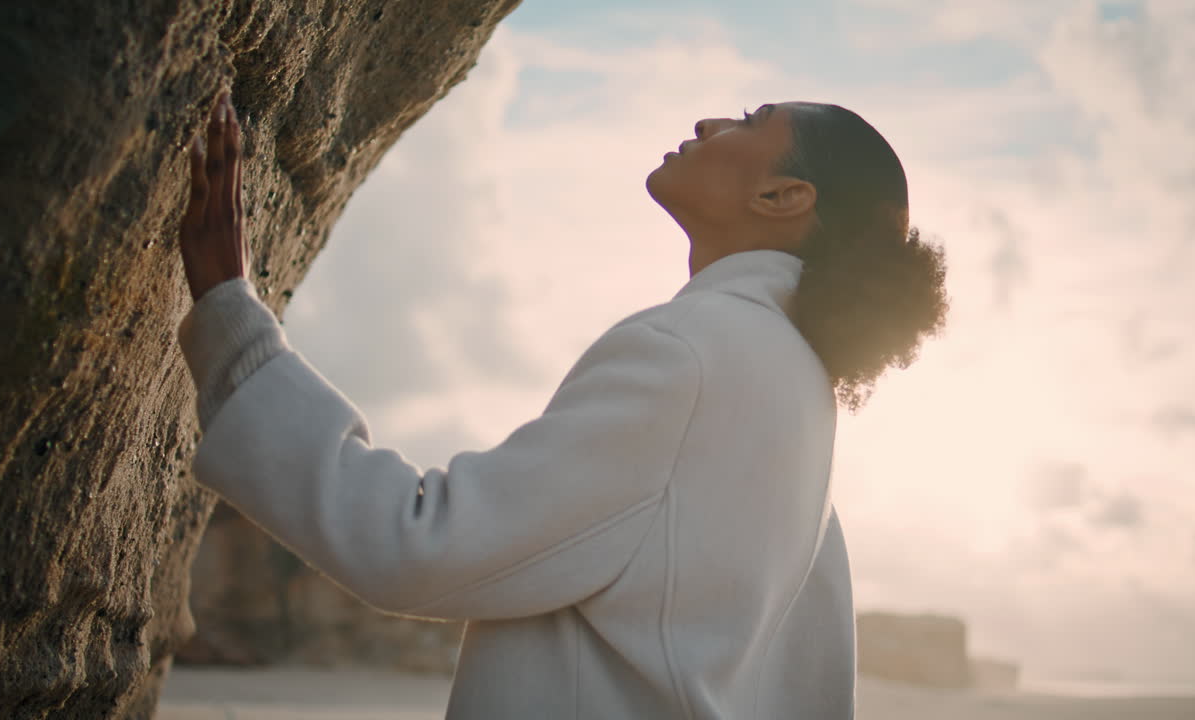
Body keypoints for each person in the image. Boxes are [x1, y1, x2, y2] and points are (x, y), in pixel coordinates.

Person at [177, 91, 948, 719]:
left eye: (749, 122)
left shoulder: (693, 352)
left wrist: (232, 325)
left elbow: (420, 546)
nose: (706, 122)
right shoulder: (804, 396)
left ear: (783, 195)